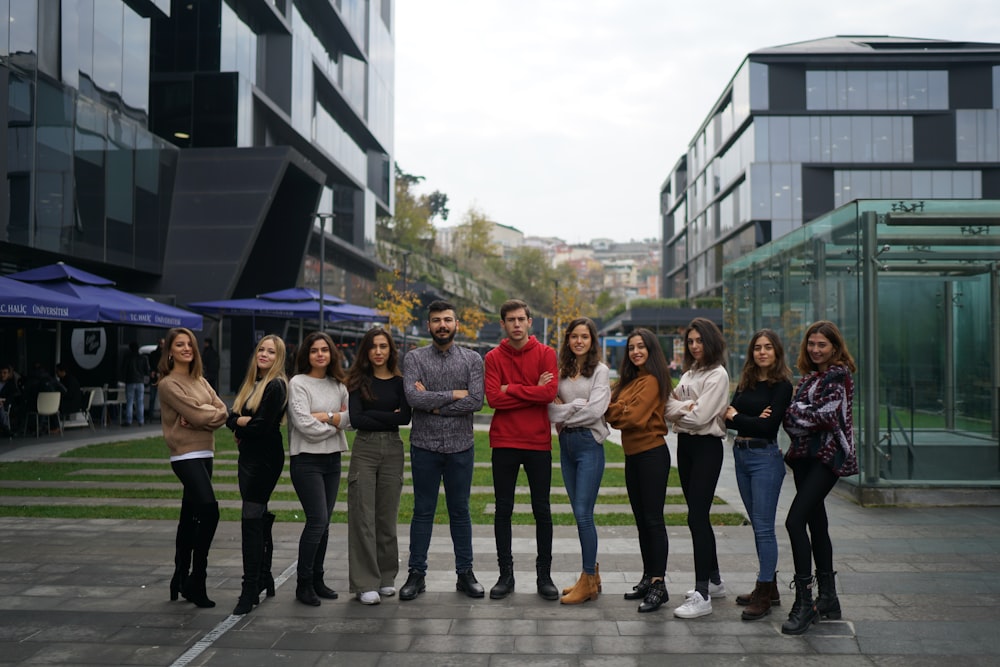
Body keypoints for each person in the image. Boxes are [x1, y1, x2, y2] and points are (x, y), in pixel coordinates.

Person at [400, 300, 485, 601]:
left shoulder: (473, 359)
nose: (442, 325)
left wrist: (434, 406)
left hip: (461, 447)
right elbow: (412, 397)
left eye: (447, 319)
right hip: (424, 446)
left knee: (460, 511)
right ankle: (416, 574)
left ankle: (465, 573)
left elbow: (476, 401)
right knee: (422, 511)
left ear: (456, 323)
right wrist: (452, 395)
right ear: (428, 325)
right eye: (436, 320)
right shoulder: (414, 358)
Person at [781, 320, 858, 635]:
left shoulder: (837, 377)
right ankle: (829, 598)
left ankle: (805, 602)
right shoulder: (810, 379)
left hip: (827, 458)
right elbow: (792, 421)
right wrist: (798, 414)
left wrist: (796, 412)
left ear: (835, 348)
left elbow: (824, 417)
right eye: (811, 344)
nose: (815, 349)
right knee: (816, 523)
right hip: (803, 458)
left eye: (822, 345)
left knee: (794, 522)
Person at [484, 299, 559, 601]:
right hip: (504, 442)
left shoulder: (546, 354)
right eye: (510, 320)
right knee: (504, 510)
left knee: (542, 510)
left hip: (538, 442)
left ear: (530, 322)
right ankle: (506, 575)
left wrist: (511, 388)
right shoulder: (492, 357)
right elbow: (492, 399)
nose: (516, 324)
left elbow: (549, 394)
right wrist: (531, 391)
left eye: (521, 319)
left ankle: (544, 575)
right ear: (502, 324)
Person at [724, 329, 793, 621]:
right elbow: (726, 414)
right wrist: (748, 419)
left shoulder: (782, 386)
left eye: (767, 347)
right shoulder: (747, 383)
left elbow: (765, 427)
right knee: (757, 525)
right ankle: (770, 585)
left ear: (776, 352)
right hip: (741, 455)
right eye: (757, 348)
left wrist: (738, 417)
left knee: (764, 527)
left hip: (765, 457)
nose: (762, 352)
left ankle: (764, 592)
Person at [157, 327, 229, 608]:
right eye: (180, 344)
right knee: (210, 512)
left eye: (190, 344)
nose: (186, 348)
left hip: (205, 451)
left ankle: (178, 576)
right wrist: (202, 414)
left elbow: (222, 410)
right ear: (170, 351)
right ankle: (196, 579)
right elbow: (202, 414)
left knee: (189, 517)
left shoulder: (199, 380)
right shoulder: (168, 384)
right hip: (184, 455)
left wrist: (203, 415)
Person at [605, 328, 673, 613]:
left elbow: (631, 417)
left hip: (652, 455)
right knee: (642, 520)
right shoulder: (627, 382)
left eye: (641, 347)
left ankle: (659, 584)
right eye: (632, 347)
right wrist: (619, 406)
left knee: (653, 520)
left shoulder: (653, 381)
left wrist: (619, 407)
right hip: (633, 456)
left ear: (651, 350)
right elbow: (606, 411)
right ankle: (648, 576)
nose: (635, 351)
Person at [667, 317, 730, 619]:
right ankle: (715, 581)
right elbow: (669, 405)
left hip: (706, 448)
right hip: (686, 448)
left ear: (711, 341)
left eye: (699, 341)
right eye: (690, 341)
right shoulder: (690, 373)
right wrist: (684, 410)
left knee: (696, 517)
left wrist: (681, 412)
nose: (694, 346)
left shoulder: (717, 375)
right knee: (698, 516)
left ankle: (702, 593)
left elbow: (702, 417)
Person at [346, 327, 412, 605]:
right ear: (366, 351)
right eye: (373, 346)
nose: (378, 351)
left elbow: (405, 418)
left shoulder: (400, 382)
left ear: (390, 350)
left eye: (383, 346)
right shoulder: (357, 381)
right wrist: (388, 415)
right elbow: (357, 420)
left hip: (393, 450)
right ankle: (365, 582)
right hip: (365, 448)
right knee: (363, 516)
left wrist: (374, 413)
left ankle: (386, 577)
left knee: (386, 517)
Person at [549, 317, 610, 605]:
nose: (579, 341)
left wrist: (566, 412)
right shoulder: (560, 372)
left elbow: (596, 411)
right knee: (578, 513)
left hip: (589, 445)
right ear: (568, 340)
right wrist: (570, 410)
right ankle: (592, 575)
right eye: (574, 336)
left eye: (584, 336)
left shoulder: (600, 371)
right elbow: (549, 411)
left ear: (592, 341)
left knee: (584, 514)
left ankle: (587, 580)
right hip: (567, 445)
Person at [286, 331, 351, 606]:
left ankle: (317, 578)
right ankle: (303, 584)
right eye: (314, 350)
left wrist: (325, 418)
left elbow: (351, 418)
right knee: (317, 521)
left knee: (324, 525)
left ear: (332, 354)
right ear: (307, 355)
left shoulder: (339, 384)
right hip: (306, 461)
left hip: (332, 460)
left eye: (324, 350)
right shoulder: (298, 383)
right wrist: (334, 423)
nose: (320, 354)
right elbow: (303, 425)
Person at [225, 335, 288, 615]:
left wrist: (238, 425)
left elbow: (261, 427)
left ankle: (249, 588)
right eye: (261, 349)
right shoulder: (253, 383)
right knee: (257, 516)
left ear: (279, 357)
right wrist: (238, 422)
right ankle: (264, 576)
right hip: (248, 457)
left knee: (250, 519)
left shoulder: (276, 385)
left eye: (271, 351)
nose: (264, 354)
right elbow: (231, 415)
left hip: (264, 459)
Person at [122, 341, 150, 426]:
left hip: (130, 381)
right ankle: (141, 421)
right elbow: (147, 370)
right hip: (140, 381)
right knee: (140, 402)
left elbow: (124, 369)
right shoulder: (143, 358)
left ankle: (128, 420)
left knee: (130, 402)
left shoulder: (128, 358)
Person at [148, 338, 165, 421]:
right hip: (160, 378)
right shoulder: (164, 355)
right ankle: (159, 416)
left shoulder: (154, 354)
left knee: (154, 397)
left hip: (158, 378)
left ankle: (152, 416)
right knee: (157, 398)